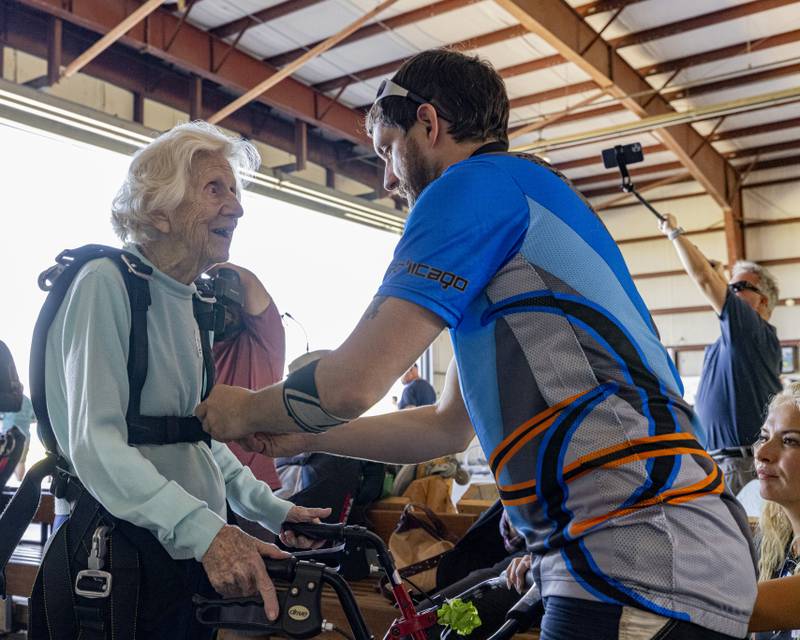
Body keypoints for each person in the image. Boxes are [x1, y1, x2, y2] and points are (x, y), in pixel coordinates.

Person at [197, 49, 756, 639]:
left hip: (636, 552)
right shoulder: (523, 198)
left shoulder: (470, 188)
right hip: (657, 547)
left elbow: (352, 382)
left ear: (429, 124)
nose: (387, 177)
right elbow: (445, 427)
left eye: (388, 148)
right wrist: (309, 433)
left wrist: (243, 409)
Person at [34, 122, 328, 640]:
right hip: (120, 555)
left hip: (182, 551)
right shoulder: (105, 283)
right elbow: (95, 445)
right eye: (215, 189)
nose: (236, 207)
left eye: (235, 192)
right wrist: (205, 531)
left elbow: (195, 440)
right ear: (158, 209)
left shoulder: (191, 301)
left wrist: (272, 508)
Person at [658, 214, 781, 495]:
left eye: (740, 287)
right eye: (731, 287)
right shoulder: (733, 342)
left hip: (741, 465)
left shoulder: (753, 333)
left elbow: (704, 279)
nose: (732, 292)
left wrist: (675, 232)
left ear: (762, 300)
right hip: (720, 461)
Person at [211, 262, 284, 491]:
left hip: (253, 487)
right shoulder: (194, 348)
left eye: (231, 306)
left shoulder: (263, 343)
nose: (223, 311)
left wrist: (204, 265)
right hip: (204, 481)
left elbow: (249, 281)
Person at [749, 382, 800, 639]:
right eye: (764, 437)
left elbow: (728, 609)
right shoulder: (776, 541)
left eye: (789, 440)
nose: (763, 453)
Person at [0, 389, 35, 480]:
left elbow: (2, 414)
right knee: (21, 461)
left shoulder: (7, 399)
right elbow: (34, 417)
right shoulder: (27, 400)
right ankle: (19, 482)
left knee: (4, 460)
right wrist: (25, 420)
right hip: (24, 435)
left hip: (7, 436)